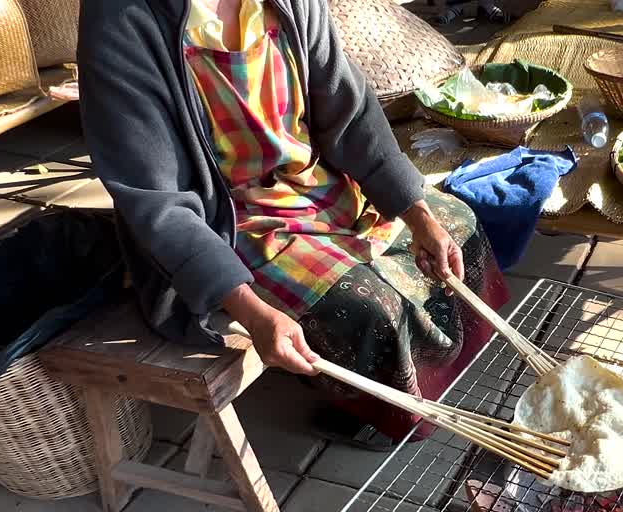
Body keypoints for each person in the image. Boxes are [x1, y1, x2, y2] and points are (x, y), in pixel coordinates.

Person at [77, 0, 510, 448]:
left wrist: (417, 212)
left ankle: (431, 383)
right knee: (370, 307)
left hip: (312, 180)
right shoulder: (121, 19)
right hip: (228, 219)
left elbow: (351, 111)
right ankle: (387, 412)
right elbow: (157, 202)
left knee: (456, 223)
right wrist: (252, 312)